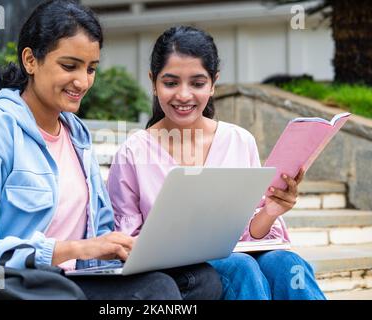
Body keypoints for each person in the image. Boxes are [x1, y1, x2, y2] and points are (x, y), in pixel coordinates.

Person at [0, 2, 222, 300]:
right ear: (30, 60)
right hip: (1, 286)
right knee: (157, 291)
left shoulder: (76, 133)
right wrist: (72, 249)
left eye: (90, 69)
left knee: (201, 280)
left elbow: (99, 232)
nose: (83, 81)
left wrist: (124, 247)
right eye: (69, 66)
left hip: (70, 281)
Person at [106, 26, 326, 300]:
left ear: (213, 84)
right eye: (171, 82)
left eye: (197, 83)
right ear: (153, 82)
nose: (184, 95)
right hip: (179, 272)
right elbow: (125, 244)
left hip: (240, 255)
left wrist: (271, 211)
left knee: (288, 265)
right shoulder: (133, 153)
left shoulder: (239, 140)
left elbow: (252, 235)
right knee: (241, 267)